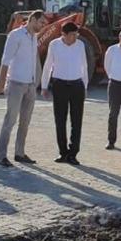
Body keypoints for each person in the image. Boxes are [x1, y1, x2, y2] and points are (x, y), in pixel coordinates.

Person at [0, 10, 47, 167]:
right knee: (10, 120)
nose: (43, 26)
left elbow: (34, 61)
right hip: (16, 84)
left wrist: (36, 82)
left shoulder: (34, 37)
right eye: (42, 22)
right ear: (33, 20)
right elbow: (5, 60)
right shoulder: (15, 35)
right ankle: (1, 156)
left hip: (30, 86)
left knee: (25, 121)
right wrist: (0, 83)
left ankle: (19, 152)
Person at [41, 22, 88, 165]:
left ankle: (73, 153)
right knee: (60, 120)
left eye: (76, 34)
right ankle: (63, 153)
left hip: (76, 85)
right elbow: (48, 65)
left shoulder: (80, 45)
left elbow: (84, 65)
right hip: (59, 85)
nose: (75, 37)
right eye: (72, 35)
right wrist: (44, 85)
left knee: (76, 120)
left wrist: (84, 86)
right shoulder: (54, 45)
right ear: (64, 34)